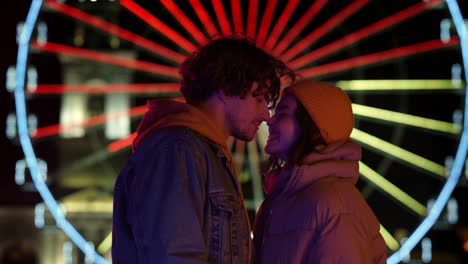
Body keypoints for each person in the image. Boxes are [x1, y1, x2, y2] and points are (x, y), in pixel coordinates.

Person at [112, 36, 296, 263]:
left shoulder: (202, 153)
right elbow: (175, 256)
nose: (266, 116)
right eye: (259, 100)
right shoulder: (177, 151)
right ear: (227, 90)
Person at [253, 79, 387, 263]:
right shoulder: (281, 200)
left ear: (314, 129)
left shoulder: (333, 204)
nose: (269, 120)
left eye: (282, 114)